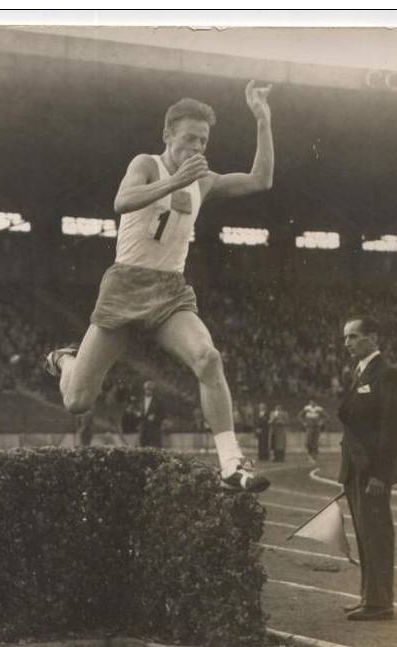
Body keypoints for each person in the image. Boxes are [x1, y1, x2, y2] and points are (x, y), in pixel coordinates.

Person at [45, 81, 274, 492]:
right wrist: (174, 180)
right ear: (168, 135)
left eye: (203, 141)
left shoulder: (203, 180)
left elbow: (261, 180)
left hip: (170, 291)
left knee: (208, 358)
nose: (197, 148)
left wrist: (262, 120)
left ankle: (231, 463)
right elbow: (122, 201)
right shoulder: (147, 164)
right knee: (78, 400)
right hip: (126, 283)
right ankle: (65, 360)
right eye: (189, 138)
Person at [338, 316, 397, 621]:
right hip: (356, 469)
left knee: (376, 534)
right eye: (345, 338)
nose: (347, 343)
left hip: (372, 472)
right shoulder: (359, 372)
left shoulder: (386, 374)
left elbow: (391, 428)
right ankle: (369, 597)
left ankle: (380, 602)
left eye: (354, 336)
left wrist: (380, 473)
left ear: (373, 338)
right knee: (365, 535)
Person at [135, 380, 167, 448]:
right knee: (142, 449)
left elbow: (163, 415)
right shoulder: (139, 400)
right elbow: (136, 411)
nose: (148, 391)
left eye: (150, 389)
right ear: (144, 389)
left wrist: (155, 417)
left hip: (154, 429)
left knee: (156, 448)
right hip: (143, 429)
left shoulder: (159, 401)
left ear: (153, 390)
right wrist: (137, 414)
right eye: (146, 389)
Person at [299, 398, 327, 463]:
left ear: (316, 402)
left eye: (314, 402)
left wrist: (321, 422)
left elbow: (326, 416)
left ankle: (314, 457)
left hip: (317, 427)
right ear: (309, 402)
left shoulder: (319, 409)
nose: (312, 403)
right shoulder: (306, 408)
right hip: (309, 427)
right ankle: (309, 455)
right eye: (311, 401)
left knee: (315, 442)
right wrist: (304, 422)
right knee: (308, 442)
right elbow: (300, 416)